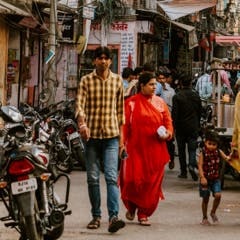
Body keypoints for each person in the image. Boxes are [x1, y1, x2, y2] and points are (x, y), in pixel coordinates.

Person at [75, 46, 125, 233]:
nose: (103, 61)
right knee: (93, 178)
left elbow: (121, 112)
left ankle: (113, 217)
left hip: (112, 135)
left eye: (106, 58)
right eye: (100, 58)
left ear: (110, 61)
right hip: (92, 136)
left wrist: (122, 141)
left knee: (112, 177)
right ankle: (96, 216)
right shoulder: (86, 81)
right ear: (94, 61)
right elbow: (80, 105)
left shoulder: (118, 81)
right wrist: (82, 124)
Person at [119, 72, 173, 226]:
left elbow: (168, 123)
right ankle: (131, 206)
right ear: (141, 86)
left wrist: (168, 134)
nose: (154, 87)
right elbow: (124, 127)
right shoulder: (131, 103)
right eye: (151, 84)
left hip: (156, 149)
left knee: (151, 183)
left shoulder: (160, 103)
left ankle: (143, 213)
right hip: (135, 149)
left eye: (155, 84)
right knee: (131, 180)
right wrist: (121, 145)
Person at [172, 74, 202, 181]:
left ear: (180, 84)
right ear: (190, 83)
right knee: (192, 148)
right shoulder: (196, 96)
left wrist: (173, 128)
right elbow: (200, 112)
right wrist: (198, 125)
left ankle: (183, 172)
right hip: (193, 126)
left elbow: (174, 114)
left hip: (180, 127)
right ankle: (192, 165)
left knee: (181, 150)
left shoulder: (177, 96)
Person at [198, 130, 230, 225]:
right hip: (206, 179)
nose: (211, 146)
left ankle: (213, 212)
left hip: (215, 179)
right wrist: (202, 177)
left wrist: (233, 155)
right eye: (209, 144)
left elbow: (227, 158)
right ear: (205, 142)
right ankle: (204, 217)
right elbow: (200, 165)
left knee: (218, 195)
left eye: (214, 144)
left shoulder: (218, 151)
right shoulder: (202, 153)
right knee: (206, 198)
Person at [157, 69, 176, 169]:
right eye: (159, 78)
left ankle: (171, 159)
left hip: (168, 118)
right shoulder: (154, 89)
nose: (161, 80)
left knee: (169, 141)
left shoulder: (171, 91)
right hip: (157, 118)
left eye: (163, 78)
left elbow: (173, 106)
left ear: (166, 79)